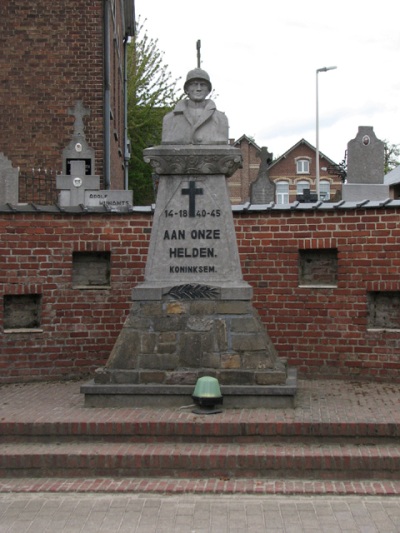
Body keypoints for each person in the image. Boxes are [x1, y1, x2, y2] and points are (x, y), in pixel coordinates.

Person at [162, 68, 229, 145]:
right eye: (194, 84)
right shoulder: (169, 119)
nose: (198, 89)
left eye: (203, 85)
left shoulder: (221, 119)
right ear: (186, 89)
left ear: (208, 90)